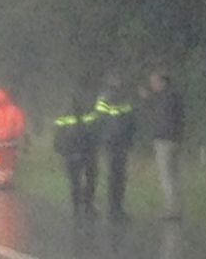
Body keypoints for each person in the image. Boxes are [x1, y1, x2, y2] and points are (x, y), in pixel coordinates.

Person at [142, 70, 186, 219]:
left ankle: (171, 210)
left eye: (154, 82)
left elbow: (159, 116)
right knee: (175, 176)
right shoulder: (175, 96)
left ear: (162, 82)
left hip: (164, 141)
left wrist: (148, 100)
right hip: (176, 140)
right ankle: (177, 208)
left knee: (167, 176)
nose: (152, 85)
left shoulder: (163, 99)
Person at [94, 73, 136, 219]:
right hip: (112, 141)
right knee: (115, 175)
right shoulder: (107, 98)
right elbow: (101, 119)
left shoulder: (120, 98)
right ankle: (114, 207)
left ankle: (117, 207)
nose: (118, 81)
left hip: (117, 141)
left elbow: (130, 119)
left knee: (119, 175)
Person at [53, 95, 99, 216]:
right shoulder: (89, 112)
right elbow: (94, 131)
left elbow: (58, 133)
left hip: (73, 151)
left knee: (75, 180)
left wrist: (60, 149)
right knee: (88, 178)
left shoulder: (65, 113)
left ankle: (77, 207)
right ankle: (87, 205)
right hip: (86, 151)